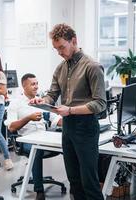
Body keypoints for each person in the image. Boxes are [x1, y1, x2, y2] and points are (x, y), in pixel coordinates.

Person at [30, 24, 106, 200]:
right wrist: (42, 101)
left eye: (62, 47)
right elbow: (51, 95)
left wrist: (70, 110)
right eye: (56, 49)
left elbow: (100, 104)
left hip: (86, 128)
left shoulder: (92, 66)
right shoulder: (60, 68)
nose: (59, 52)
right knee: (74, 181)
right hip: (68, 128)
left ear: (74, 41)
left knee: (90, 183)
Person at [5, 73, 62, 200]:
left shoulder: (40, 101)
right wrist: (28, 118)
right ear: (24, 86)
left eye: (37, 84)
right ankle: (39, 191)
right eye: (32, 84)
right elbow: (12, 127)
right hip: (25, 141)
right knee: (37, 149)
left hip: (45, 138)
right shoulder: (16, 103)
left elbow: (57, 119)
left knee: (69, 143)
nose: (36, 87)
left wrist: (74, 119)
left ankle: (76, 186)